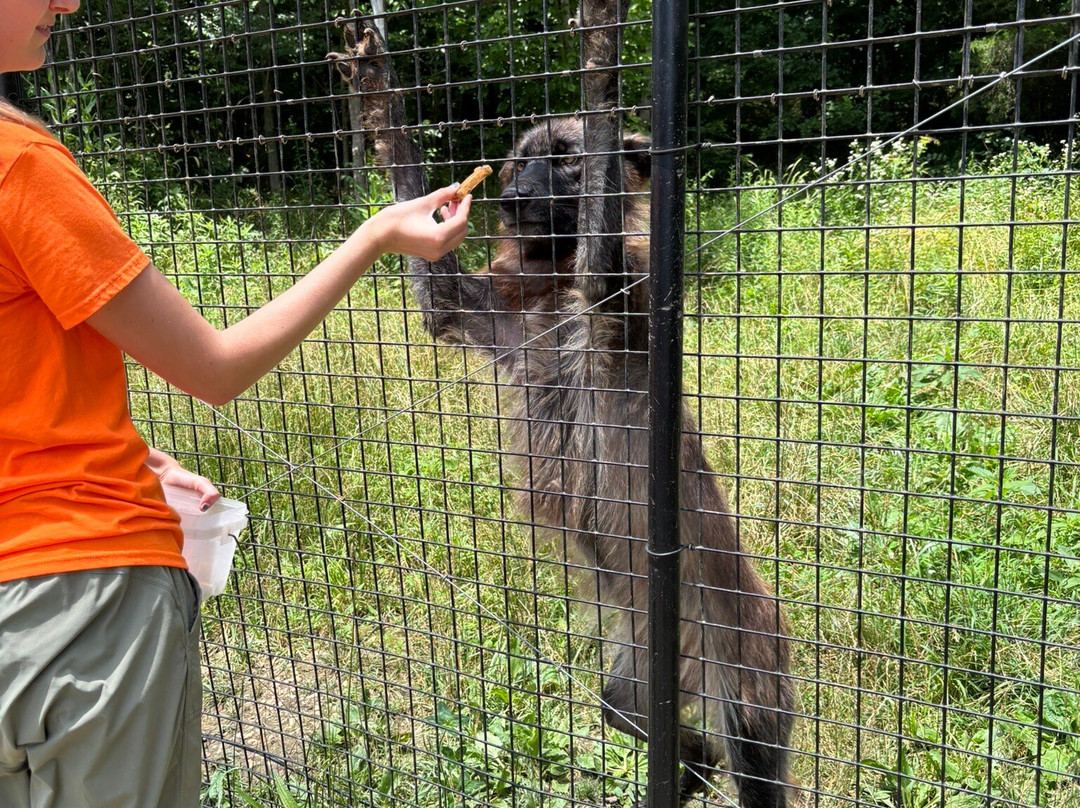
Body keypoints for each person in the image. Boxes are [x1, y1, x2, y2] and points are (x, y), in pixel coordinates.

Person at [0, 2, 474, 806]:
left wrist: (144, 460)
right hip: (76, 600)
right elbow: (214, 368)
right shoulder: (20, 164)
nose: (68, 2)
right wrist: (373, 238)